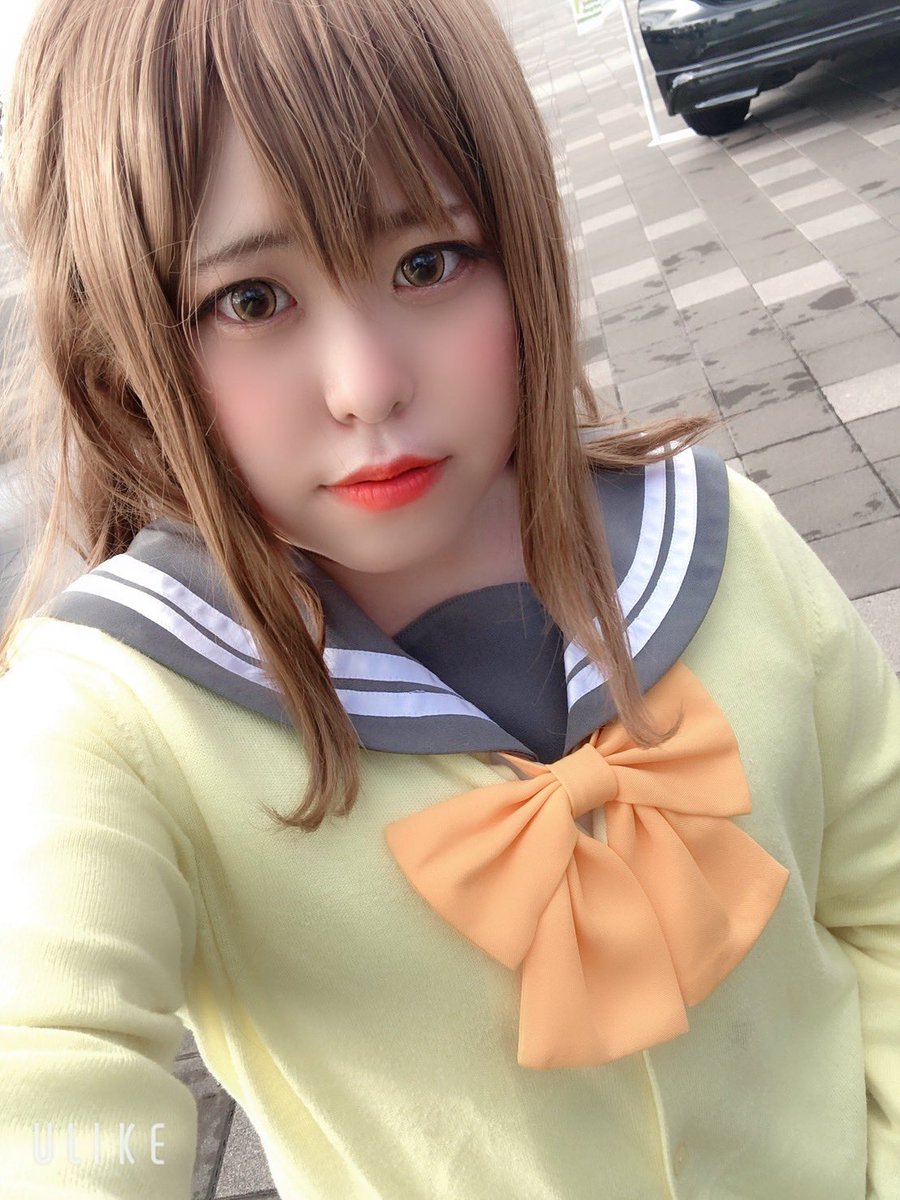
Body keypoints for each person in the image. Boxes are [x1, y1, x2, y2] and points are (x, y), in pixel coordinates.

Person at [0, 0, 897, 1197]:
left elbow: (883, 898)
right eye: (250, 300)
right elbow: (44, 1086)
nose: (366, 385)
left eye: (428, 263)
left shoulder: (726, 541)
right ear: (123, 345)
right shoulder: (116, 711)